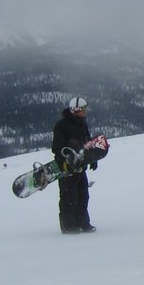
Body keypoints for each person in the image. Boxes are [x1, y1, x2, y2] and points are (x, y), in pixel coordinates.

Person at [52, 97, 97, 234]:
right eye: (84, 109)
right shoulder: (62, 125)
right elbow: (57, 147)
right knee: (69, 196)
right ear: (77, 110)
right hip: (67, 168)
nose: (86, 111)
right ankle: (68, 225)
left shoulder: (82, 124)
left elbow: (87, 142)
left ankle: (83, 223)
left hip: (80, 166)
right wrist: (65, 161)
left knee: (83, 195)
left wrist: (92, 158)